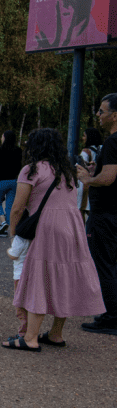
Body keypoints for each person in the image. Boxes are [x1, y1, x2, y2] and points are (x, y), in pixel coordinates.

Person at [4, 128, 105, 350]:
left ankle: (30, 338)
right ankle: (56, 334)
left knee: (39, 278)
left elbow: (17, 207)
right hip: (73, 226)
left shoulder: (31, 170)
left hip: (47, 227)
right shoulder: (67, 170)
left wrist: (14, 234)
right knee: (65, 277)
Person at [77, 94, 117, 334]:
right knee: (112, 264)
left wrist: (88, 179)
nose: (98, 115)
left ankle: (110, 317)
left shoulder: (112, 142)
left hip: (105, 213)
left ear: (115, 115)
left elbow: (109, 178)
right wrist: (97, 169)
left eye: (102, 111)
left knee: (102, 264)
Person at [0, 131, 23, 236]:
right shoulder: (18, 150)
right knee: (9, 206)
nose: (1, 138)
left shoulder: (1, 150)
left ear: (5, 138)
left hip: (1, 181)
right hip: (14, 181)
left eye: (2, 136)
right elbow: (19, 165)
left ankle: (3, 222)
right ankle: (7, 228)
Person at [77, 127, 104, 221]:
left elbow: (80, 167)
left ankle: (82, 230)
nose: (83, 138)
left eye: (84, 136)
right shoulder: (102, 148)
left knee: (81, 210)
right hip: (98, 182)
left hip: (85, 184)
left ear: (89, 137)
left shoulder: (86, 151)